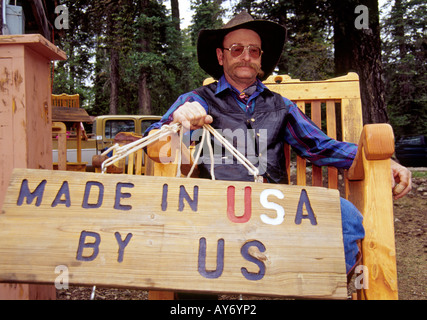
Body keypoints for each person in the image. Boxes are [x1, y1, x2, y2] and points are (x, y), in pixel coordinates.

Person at [146, 11, 412, 275]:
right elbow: (156, 139)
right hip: (216, 205)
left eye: (254, 50)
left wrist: (378, 159)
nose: (246, 56)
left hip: (275, 204)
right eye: (237, 49)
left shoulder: (280, 106)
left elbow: (320, 146)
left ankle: (320, 288)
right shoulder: (199, 99)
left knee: (348, 219)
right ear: (221, 55)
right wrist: (176, 123)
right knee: (184, 241)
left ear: (261, 57)